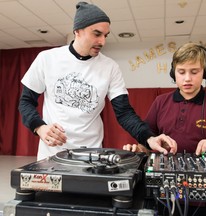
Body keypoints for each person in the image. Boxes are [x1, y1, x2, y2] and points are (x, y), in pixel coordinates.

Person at [18, 1, 177, 160]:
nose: (103, 41)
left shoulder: (110, 68)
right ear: (77, 31)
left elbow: (124, 113)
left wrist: (149, 138)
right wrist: (40, 127)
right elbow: (25, 102)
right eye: (97, 34)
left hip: (92, 157)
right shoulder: (47, 59)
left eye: (105, 35)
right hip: (51, 155)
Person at [123, 42, 206, 155]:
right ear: (173, 73)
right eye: (181, 72)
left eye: (194, 72)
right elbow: (147, 144)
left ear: (205, 73)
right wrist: (137, 150)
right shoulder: (160, 102)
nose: (187, 78)